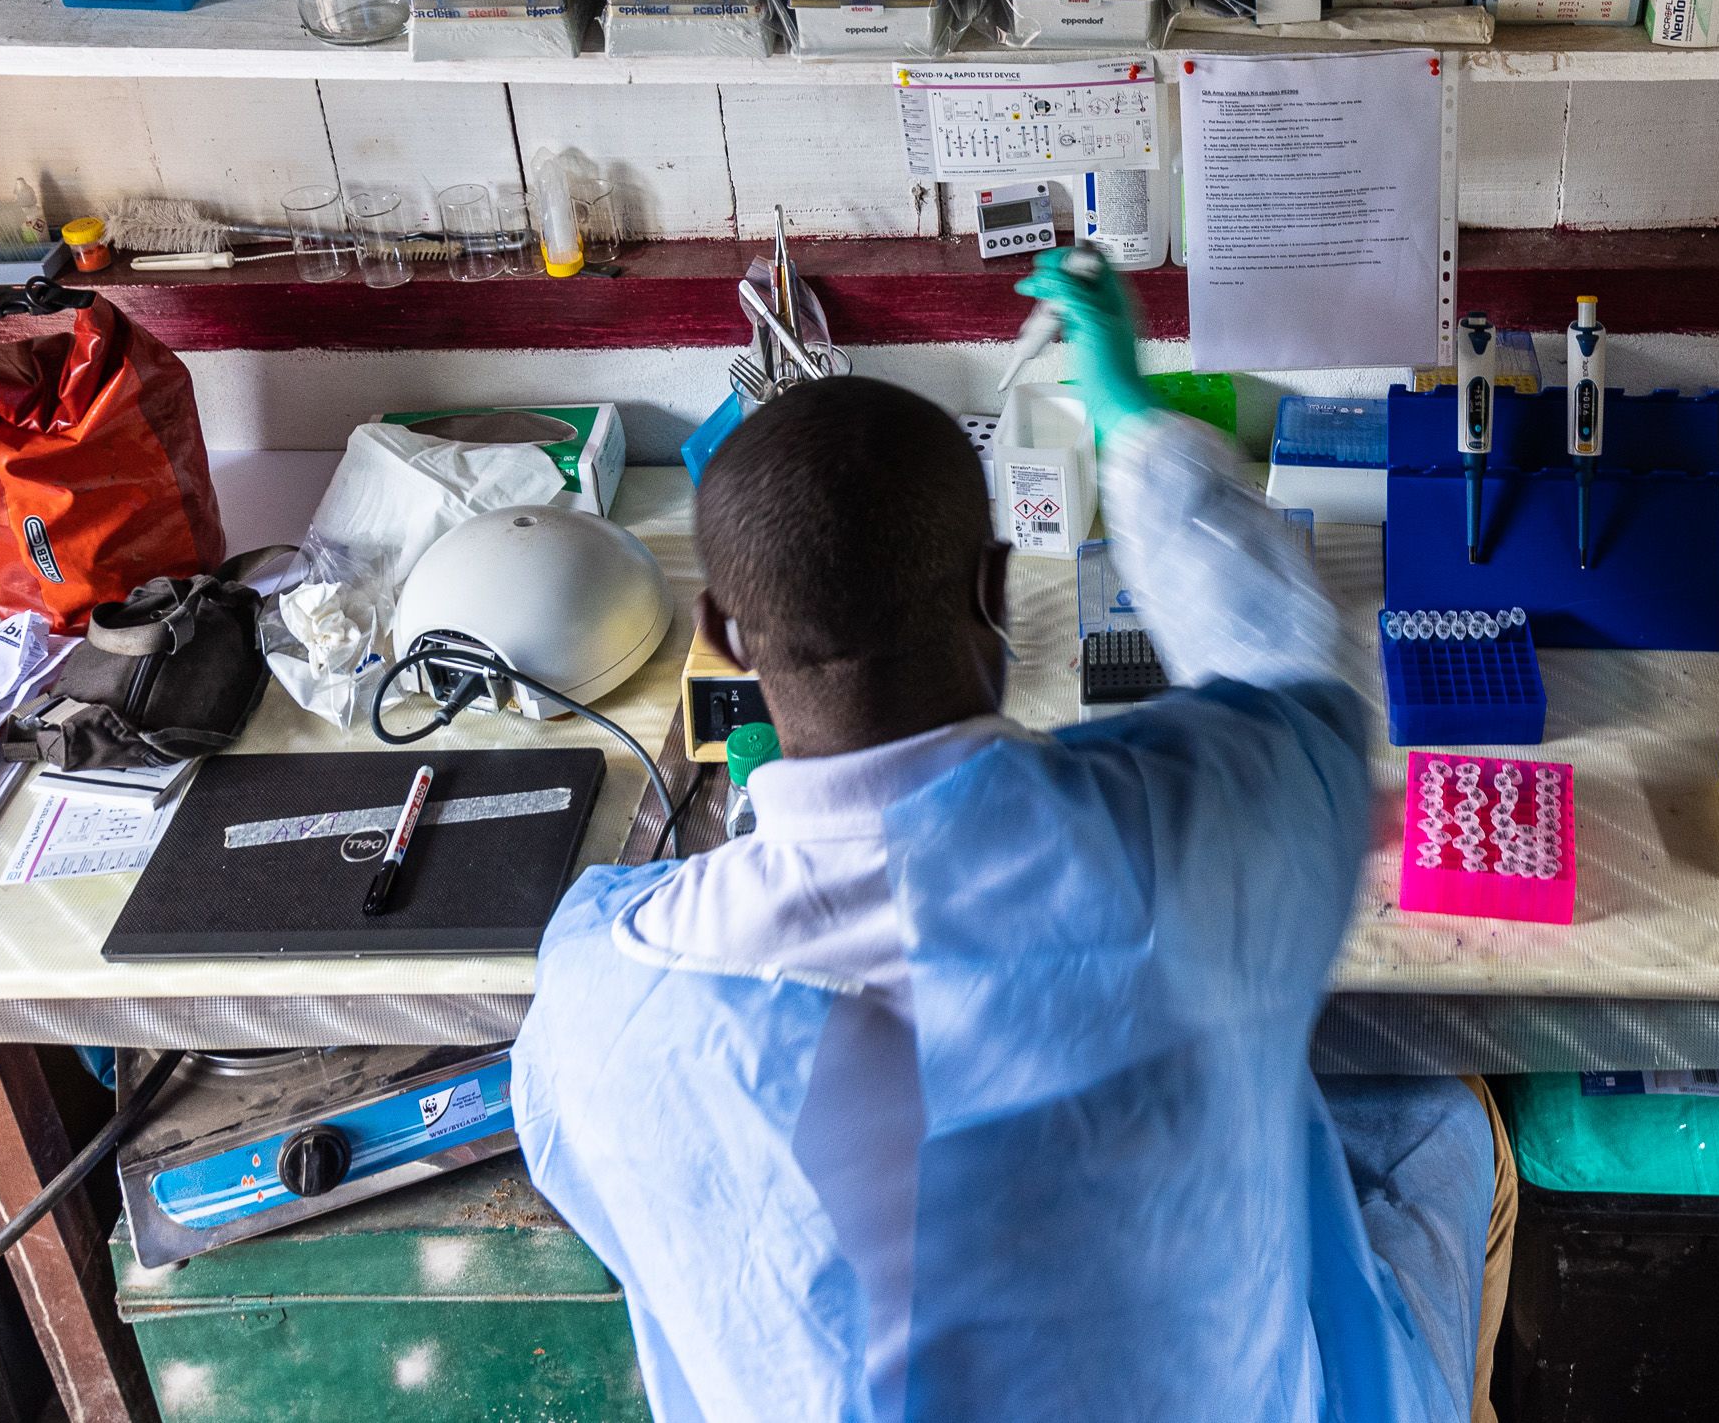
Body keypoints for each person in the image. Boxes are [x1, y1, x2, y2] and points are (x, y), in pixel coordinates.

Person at [512, 250, 1512, 1422]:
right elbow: (1297, 688)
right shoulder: (1203, 821)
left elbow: (605, 1192)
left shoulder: (603, 997)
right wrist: (1131, 418)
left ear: (721, 634)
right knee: (1447, 1122)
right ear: (994, 584)